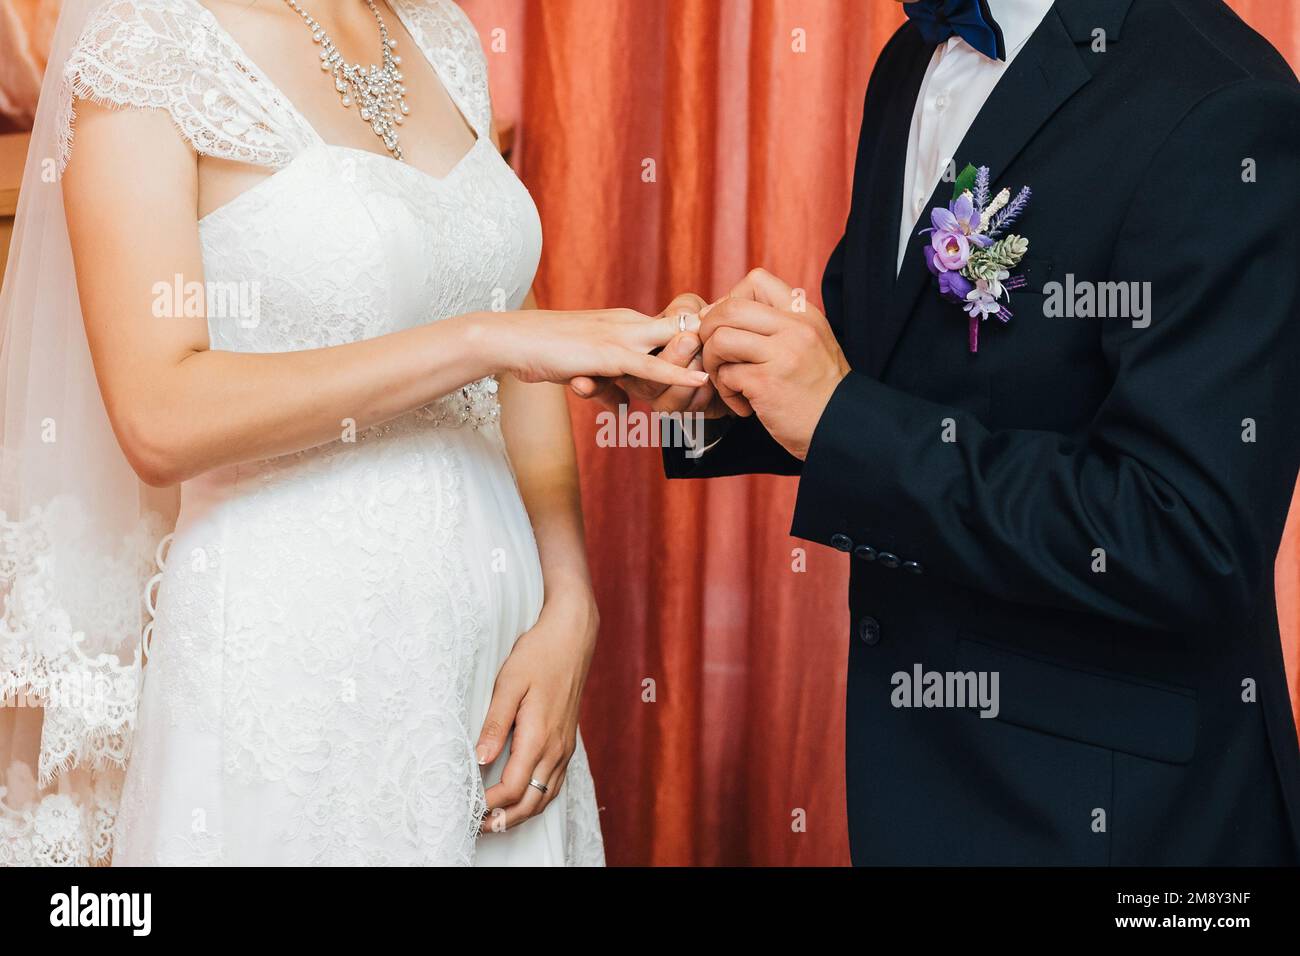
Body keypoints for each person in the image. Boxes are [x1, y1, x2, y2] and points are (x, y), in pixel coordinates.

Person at [577, 0, 1300, 864]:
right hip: (917, 783)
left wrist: (836, 415)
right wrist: (713, 380)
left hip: (1115, 814)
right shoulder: (908, 63)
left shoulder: (1223, 99)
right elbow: (889, 368)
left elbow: (1185, 533)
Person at [0, 0, 707, 866]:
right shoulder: (146, 39)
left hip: (499, 644)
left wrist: (570, 603)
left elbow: (519, 339)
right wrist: (481, 339)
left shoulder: (440, 31)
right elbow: (158, 414)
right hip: (292, 658)